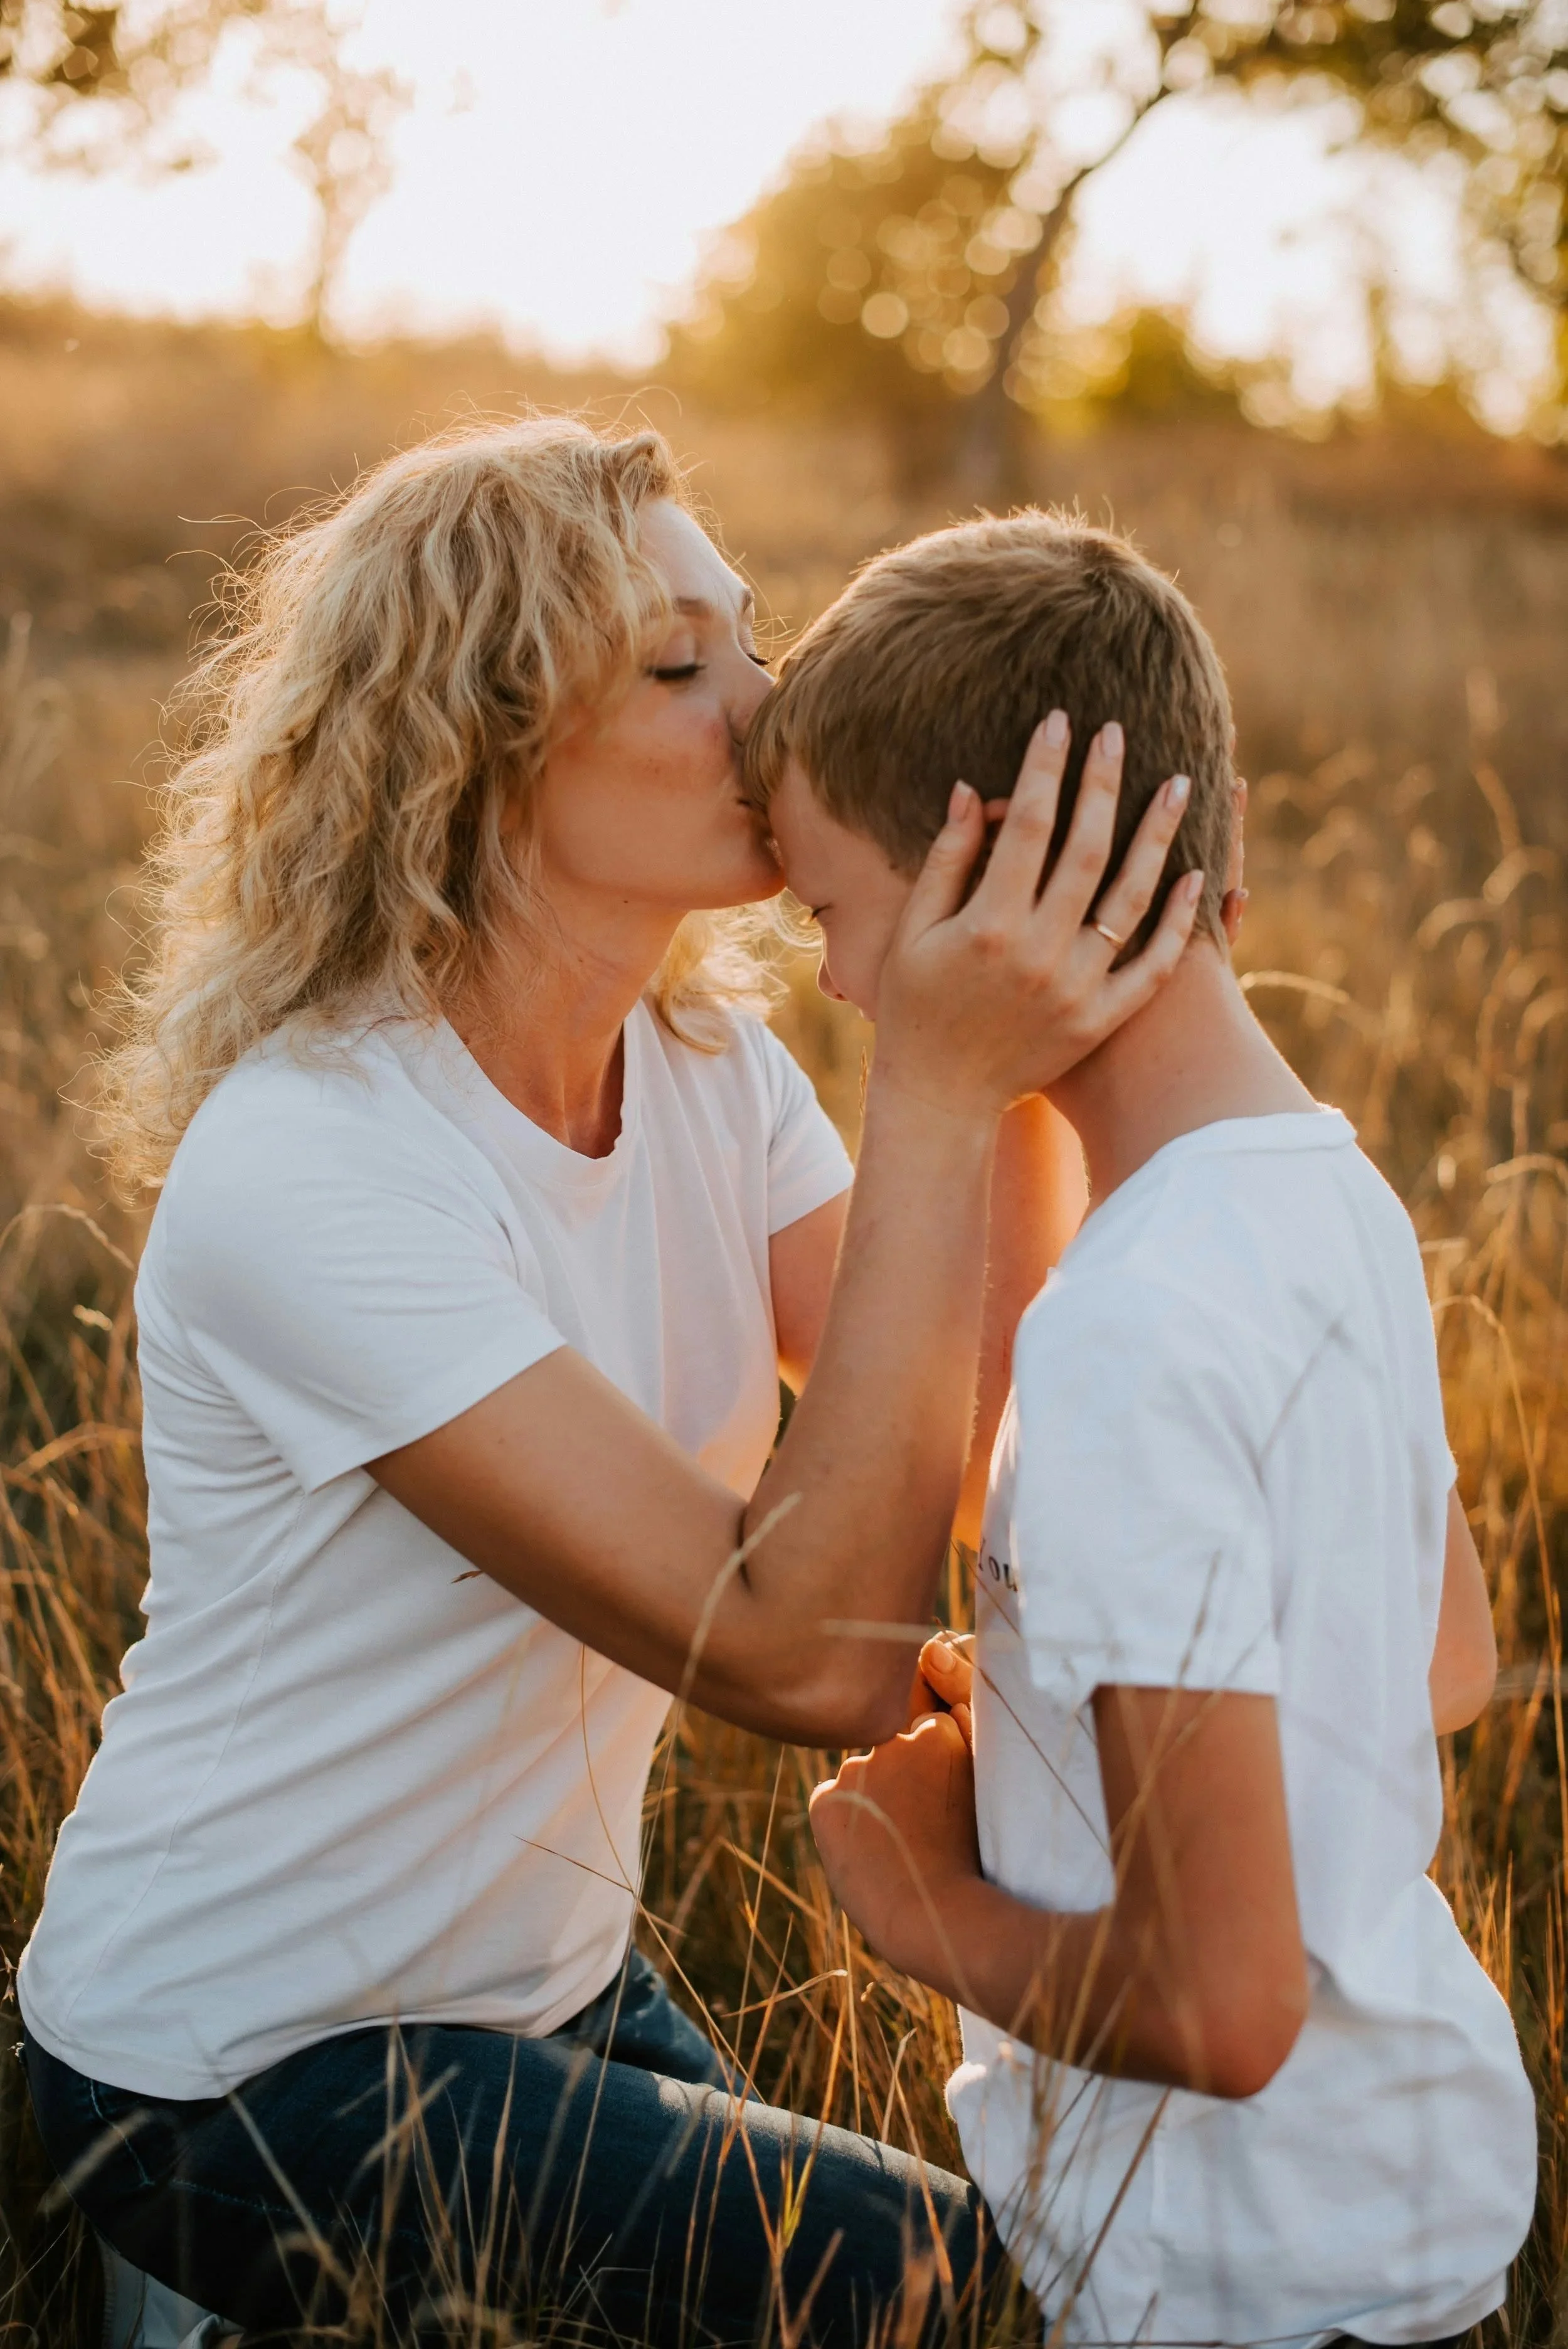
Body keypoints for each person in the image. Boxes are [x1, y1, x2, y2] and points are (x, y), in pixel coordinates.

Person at [17, 423, 1201, 2346]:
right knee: (946, 2294)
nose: (770, 705)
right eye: (680, 667)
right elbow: (797, 1662)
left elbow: (1000, 1429)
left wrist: (1019, 1005)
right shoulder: (319, 1158)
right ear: (475, 743)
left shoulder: (709, 1076)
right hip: (230, 2055)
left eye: (754, 640)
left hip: (535, 1988)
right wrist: (933, 1081)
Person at [749, 511, 1539, 2348]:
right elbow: (1439, 1655)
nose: (839, 987)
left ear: (980, 882)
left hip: (1229, 2268)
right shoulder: (1315, 1193)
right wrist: (1065, 1720)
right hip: (1387, 2212)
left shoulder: (1130, 1329)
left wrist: (919, 1891)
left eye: (829, 915)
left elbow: (1221, 2011)